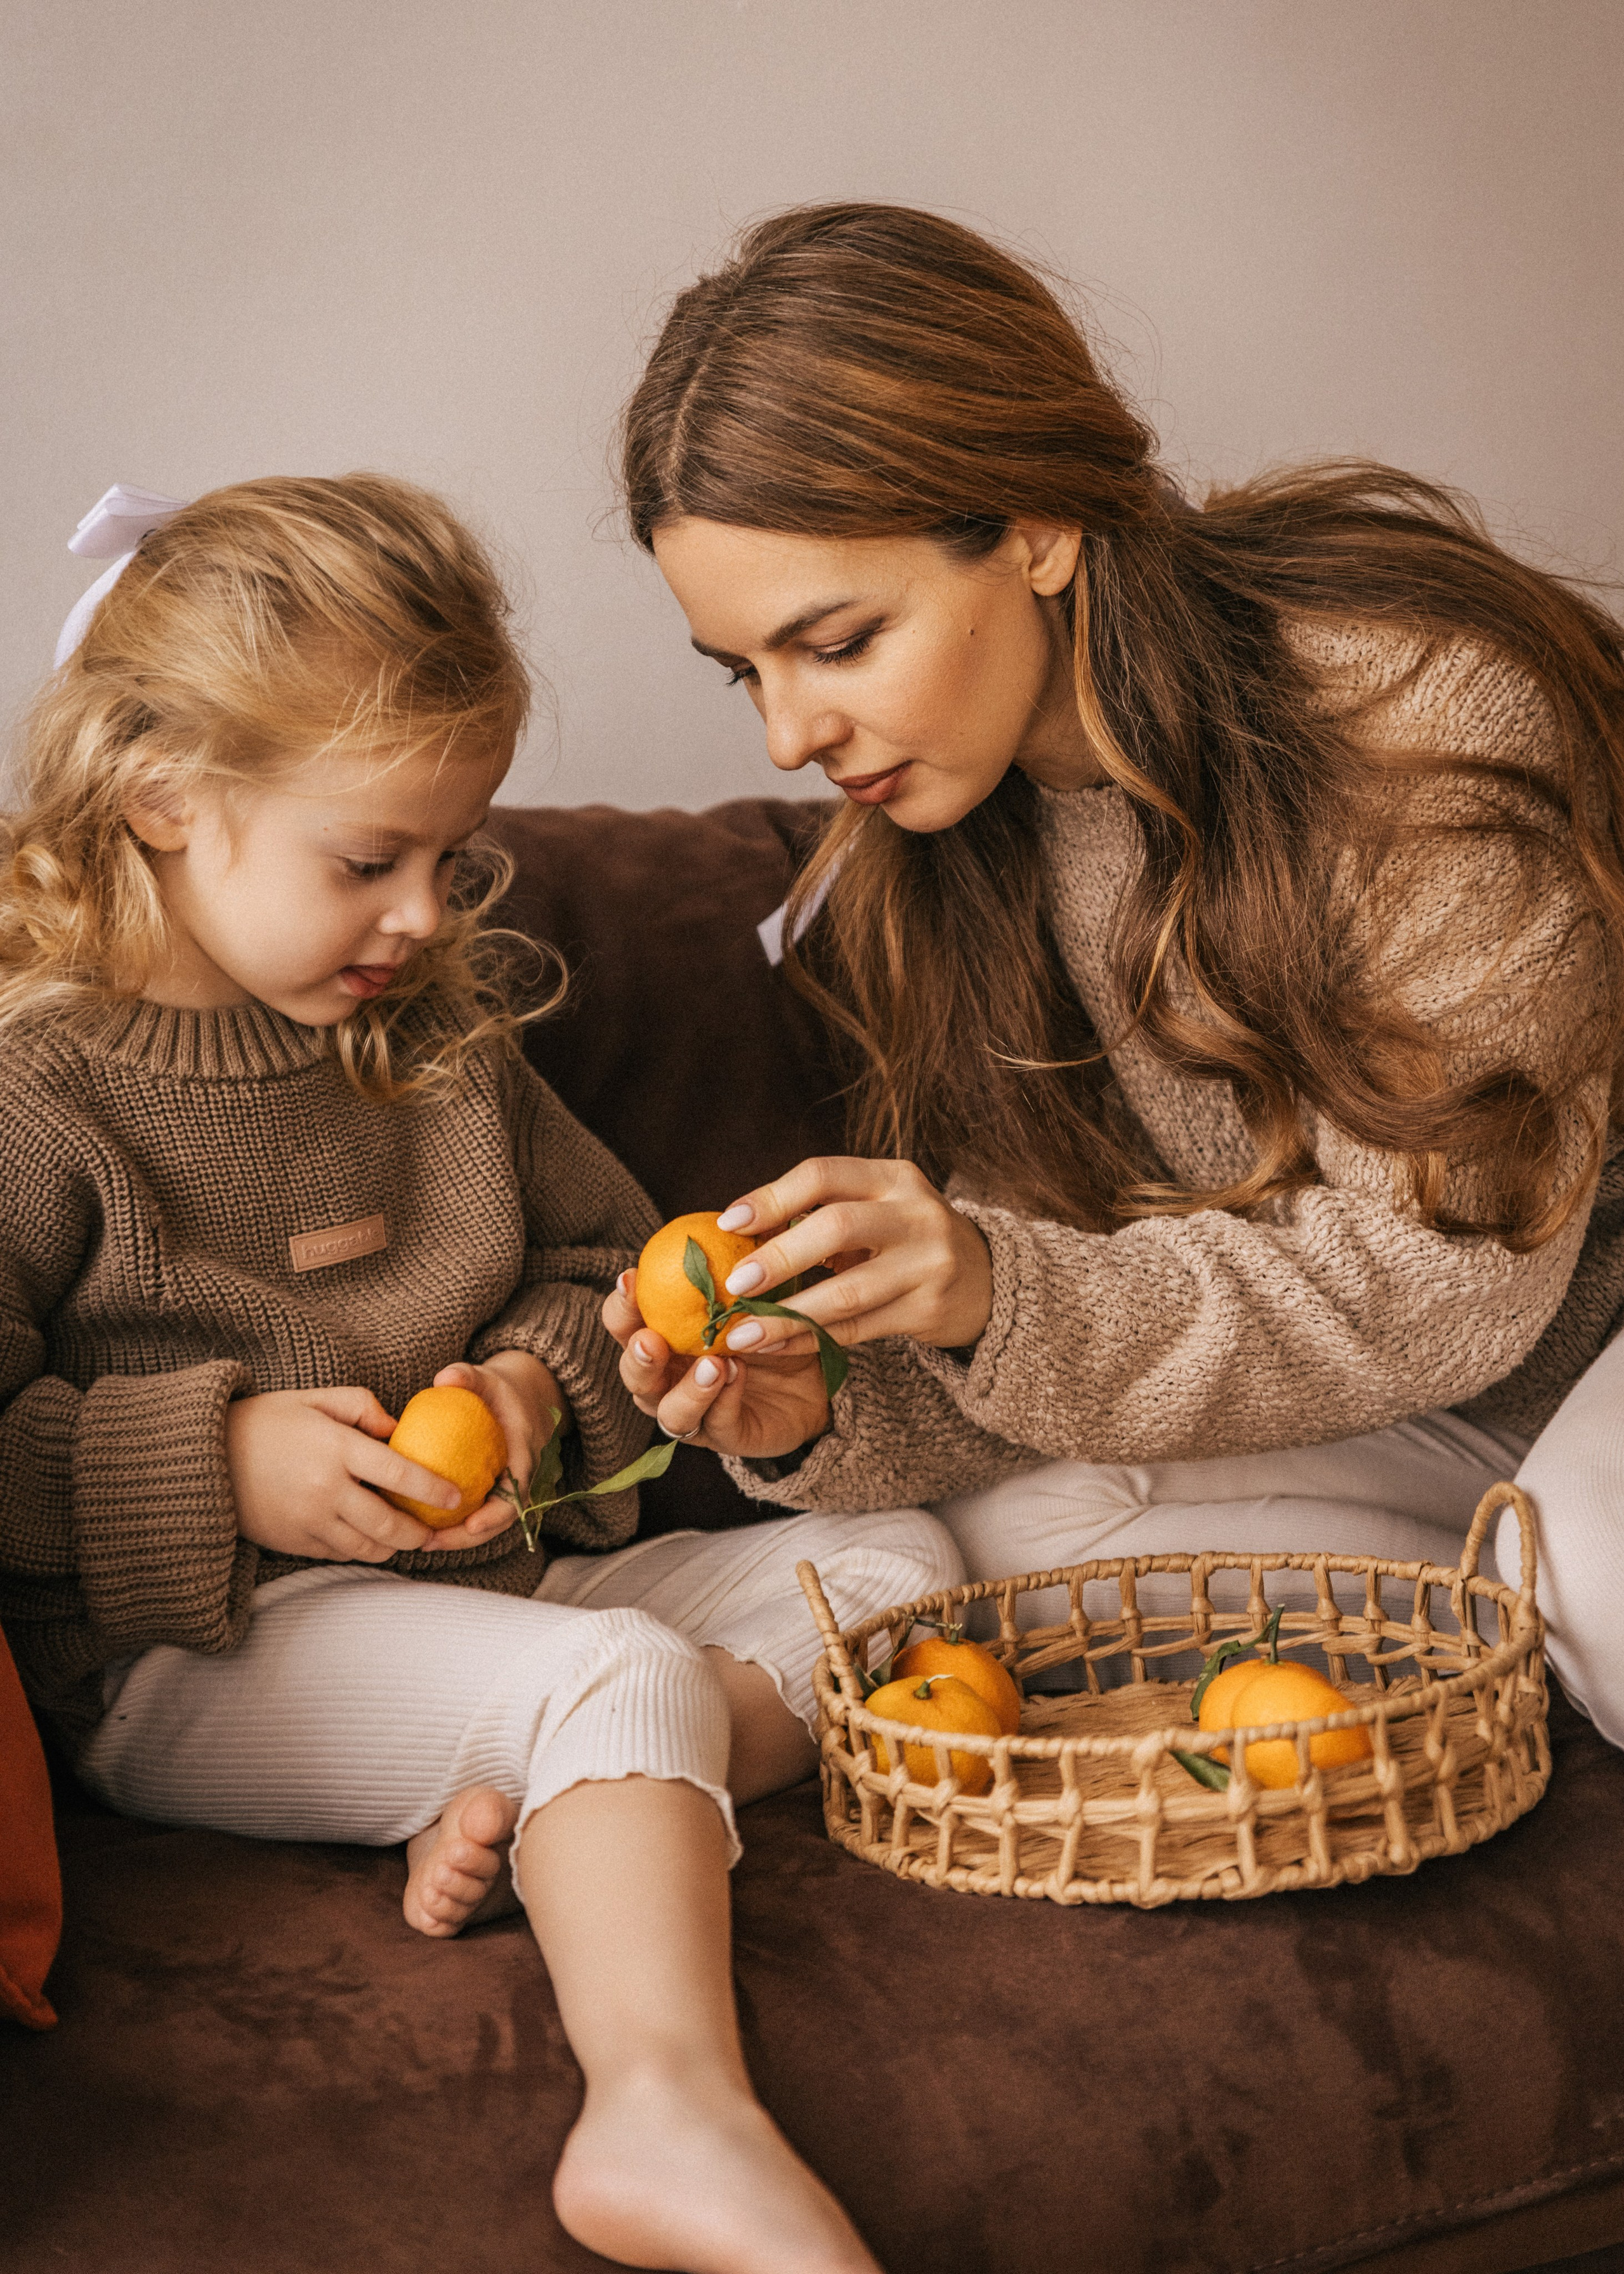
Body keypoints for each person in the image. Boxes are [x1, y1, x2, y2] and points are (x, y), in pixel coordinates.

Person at [0, 473, 960, 2274]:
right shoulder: (35, 1093)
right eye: (370, 861)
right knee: (613, 1667)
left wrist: (534, 1390)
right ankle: (666, 2114)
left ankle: (567, 1797)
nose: (427, 916)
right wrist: (213, 1467)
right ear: (161, 803)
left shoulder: (435, 1036)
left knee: (891, 1575)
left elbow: (593, 1271)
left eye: (453, 857)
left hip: (484, 1574)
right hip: (182, 1653)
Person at [603, 200, 1624, 1747]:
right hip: (1435, 1394)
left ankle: (1551, 1594)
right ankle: (1510, 1613)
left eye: (838, 640)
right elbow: (1062, 1291)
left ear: (1036, 525)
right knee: (1015, 1549)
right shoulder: (934, 848)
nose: (785, 736)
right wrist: (829, 1401)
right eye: (747, 668)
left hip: (1562, 1317)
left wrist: (1001, 1286)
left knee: (1604, 1579)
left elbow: (1449, 1270)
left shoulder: (1410, 714)